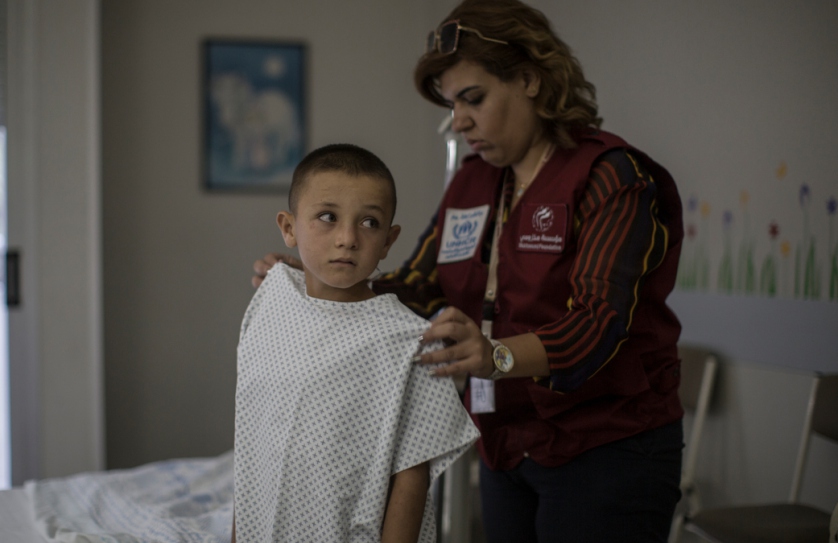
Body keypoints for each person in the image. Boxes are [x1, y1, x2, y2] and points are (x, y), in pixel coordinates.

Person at [252, 1, 686, 541]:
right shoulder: (474, 183)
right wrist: (320, 277)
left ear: (530, 78)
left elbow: (598, 324)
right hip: (506, 442)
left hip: (606, 449)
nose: (458, 122)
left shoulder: (611, 177)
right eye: (452, 103)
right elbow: (417, 284)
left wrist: (496, 354)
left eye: (472, 98)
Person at [233, 143, 479, 543]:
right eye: (327, 217)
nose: (347, 238)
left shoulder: (409, 342)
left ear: (388, 240)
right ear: (289, 227)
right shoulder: (273, 304)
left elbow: (412, 477)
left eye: (369, 223)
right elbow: (250, 440)